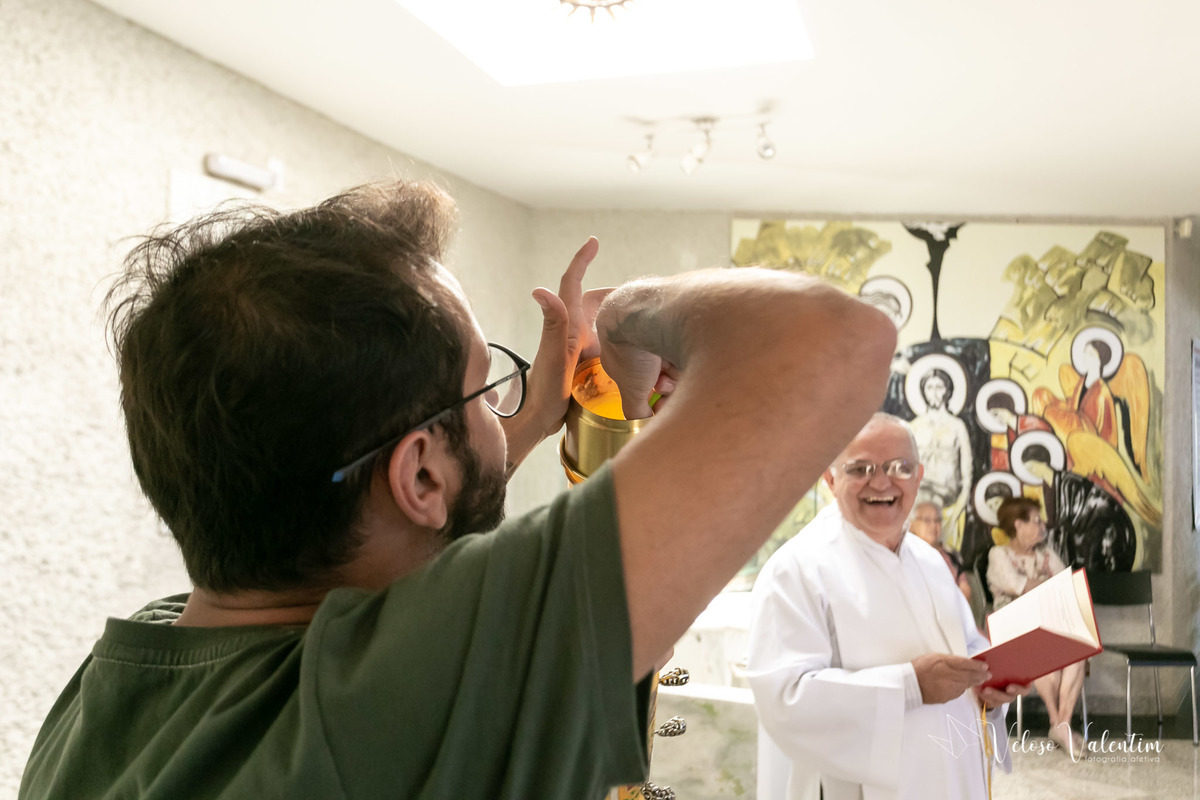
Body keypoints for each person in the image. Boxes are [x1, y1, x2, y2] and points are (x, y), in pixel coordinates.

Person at [18, 180, 897, 799]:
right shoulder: (391, 699)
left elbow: (404, 518)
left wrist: (519, 432)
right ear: (421, 474)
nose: (506, 406)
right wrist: (627, 317)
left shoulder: (125, 676)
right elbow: (829, 340)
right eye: (487, 384)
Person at [747, 413, 1028, 800]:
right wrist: (909, 686)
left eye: (900, 467)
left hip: (954, 778)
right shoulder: (796, 569)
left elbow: (969, 648)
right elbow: (785, 700)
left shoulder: (930, 561)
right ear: (830, 480)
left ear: (919, 476)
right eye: (860, 468)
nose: (881, 482)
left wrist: (989, 688)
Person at [987, 496, 1085, 756]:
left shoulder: (1048, 554)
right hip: (1013, 632)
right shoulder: (999, 554)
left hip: (1046, 627)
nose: (1042, 526)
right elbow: (1019, 586)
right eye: (1036, 520)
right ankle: (1060, 724)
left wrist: (1050, 588)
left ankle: (1060, 723)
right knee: (1042, 650)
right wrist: (1051, 586)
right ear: (1018, 525)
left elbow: (1067, 587)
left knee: (1079, 647)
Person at [909, 499, 972, 603]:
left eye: (937, 520)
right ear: (912, 524)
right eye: (927, 520)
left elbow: (965, 590)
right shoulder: (906, 556)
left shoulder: (951, 557)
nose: (934, 526)